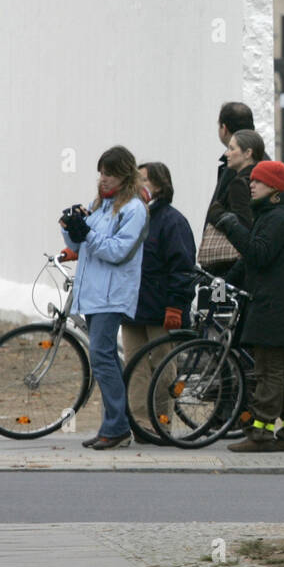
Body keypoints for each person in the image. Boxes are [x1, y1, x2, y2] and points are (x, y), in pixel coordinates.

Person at [208, 159, 284, 452]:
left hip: (274, 307)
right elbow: (252, 258)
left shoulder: (279, 219)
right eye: (251, 180)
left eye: (258, 181)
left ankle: (261, 434)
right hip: (278, 304)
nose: (251, 185)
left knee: (268, 371)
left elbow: (258, 253)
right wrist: (225, 282)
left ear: (274, 188)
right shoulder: (273, 215)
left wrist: (230, 225)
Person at [59, 146, 148, 450]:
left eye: (109, 173)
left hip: (112, 295)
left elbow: (117, 252)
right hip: (93, 293)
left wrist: (87, 234)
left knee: (101, 358)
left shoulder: (133, 209)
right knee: (103, 360)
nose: (103, 179)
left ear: (125, 175)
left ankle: (118, 426)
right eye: (100, 173)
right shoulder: (100, 205)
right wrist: (70, 227)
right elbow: (80, 243)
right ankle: (111, 425)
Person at [121, 162, 195, 441]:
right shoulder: (132, 218)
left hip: (162, 309)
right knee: (134, 368)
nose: (137, 185)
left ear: (160, 186)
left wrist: (176, 305)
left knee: (164, 368)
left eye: (143, 180)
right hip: (133, 308)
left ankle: (161, 422)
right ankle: (142, 424)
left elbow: (183, 268)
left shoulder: (172, 221)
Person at [201, 128, 269, 275]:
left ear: (248, 153)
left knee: (219, 297)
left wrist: (216, 213)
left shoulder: (239, 184)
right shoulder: (262, 183)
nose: (227, 154)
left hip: (231, 265)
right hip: (252, 266)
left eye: (232, 149)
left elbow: (243, 225)